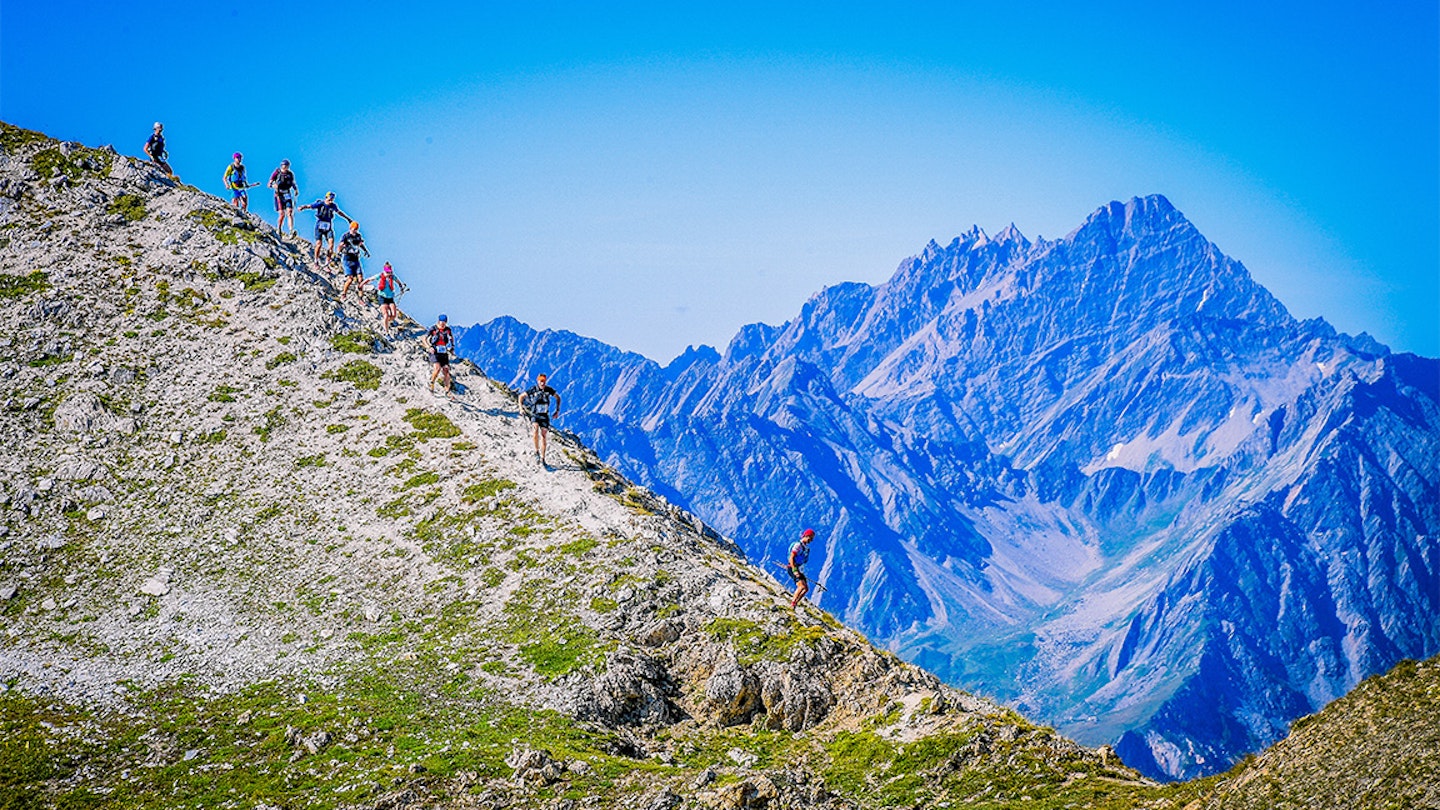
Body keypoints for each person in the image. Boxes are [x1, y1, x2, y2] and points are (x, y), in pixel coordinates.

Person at [299, 191, 351, 265]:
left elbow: (339, 212)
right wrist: (302, 207)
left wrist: (347, 219)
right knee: (319, 244)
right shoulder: (320, 204)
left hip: (328, 228)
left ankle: (327, 262)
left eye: (332, 199)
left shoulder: (333, 206)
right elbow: (310, 206)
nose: (330, 201)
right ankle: (316, 261)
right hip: (319, 227)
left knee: (331, 244)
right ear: (326, 198)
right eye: (329, 199)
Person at [520, 373, 561, 467]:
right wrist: (521, 408)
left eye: (544, 381)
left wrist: (557, 410)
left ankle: (543, 458)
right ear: (538, 381)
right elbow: (521, 396)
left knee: (543, 435)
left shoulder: (549, 390)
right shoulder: (533, 390)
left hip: (544, 416)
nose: (542, 383)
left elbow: (558, 397)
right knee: (535, 430)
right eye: (541, 381)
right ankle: (536, 451)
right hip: (535, 414)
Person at [365, 262, 406, 336]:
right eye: (388, 272)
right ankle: (386, 332)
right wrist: (362, 283)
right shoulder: (380, 276)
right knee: (386, 315)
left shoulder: (392, 277)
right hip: (382, 297)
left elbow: (399, 282)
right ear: (384, 271)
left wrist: (401, 287)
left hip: (390, 298)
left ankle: (385, 322)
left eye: (390, 272)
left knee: (393, 315)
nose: (389, 273)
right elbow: (370, 279)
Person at [336, 221, 370, 301]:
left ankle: (360, 298)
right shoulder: (346, 236)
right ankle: (344, 294)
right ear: (350, 228)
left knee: (360, 279)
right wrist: (338, 252)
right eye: (353, 229)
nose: (354, 231)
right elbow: (340, 244)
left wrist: (365, 251)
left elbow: (361, 244)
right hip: (347, 259)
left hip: (356, 259)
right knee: (350, 279)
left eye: (356, 229)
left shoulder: (358, 236)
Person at [787, 528, 817, 608]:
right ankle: (793, 603)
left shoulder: (805, 548)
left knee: (806, 588)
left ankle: (795, 602)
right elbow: (791, 557)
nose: (811, 541)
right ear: (806, 536)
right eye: (810, 538)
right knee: (801, 586)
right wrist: (795, 570)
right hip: (793, 568)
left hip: (799, 569)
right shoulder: (798, 546)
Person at [268, 159, 299, 235]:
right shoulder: (277, 173)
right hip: (279, 194)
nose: (285, 167)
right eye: (283, 165)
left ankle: (291, 230)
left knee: (289, 212)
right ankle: (279, 228)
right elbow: (269, 184)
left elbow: (292, 183)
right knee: (282, 214)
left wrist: (295, 190)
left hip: (287, 194)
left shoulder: (290, 174)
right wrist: (273, 185)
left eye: (286, 166)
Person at [426, 315, 455, 394]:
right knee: (437, 368)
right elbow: (425, 339)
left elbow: (451, 337)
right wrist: (429, 347)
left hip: (443, 351)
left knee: (446, 370)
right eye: (442, 323)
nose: (443, 324)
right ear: (438, 321)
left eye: (444, 323)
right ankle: (431, 382)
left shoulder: (447, 330)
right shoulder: (433, 329)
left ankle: (447, 390)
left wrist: (452, 347)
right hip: (435, 351)